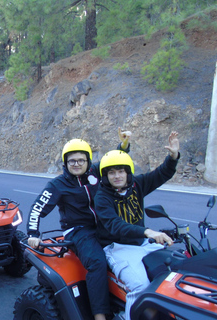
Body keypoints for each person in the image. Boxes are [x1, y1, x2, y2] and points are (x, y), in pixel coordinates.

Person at [26, 128, 132, 320]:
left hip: (104, 225)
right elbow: (36, 209)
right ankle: (100, 313)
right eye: (72, 160)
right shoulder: (57, 185)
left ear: (88, 161)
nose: (77, 164)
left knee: (134, 245)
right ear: (65, 163)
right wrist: (33, 233)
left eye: (81, 160)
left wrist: (123, 146)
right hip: (78, 231)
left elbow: (114, 162)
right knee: (97, 262)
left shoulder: (95, 172)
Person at [94, 131, 179, 320]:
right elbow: (115, 226)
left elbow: (162, 173)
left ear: (128, 172)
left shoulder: (137, 185)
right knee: (140, 287)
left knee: (172, 275)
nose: (117, 176)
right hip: (117, 248)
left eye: (121, 171)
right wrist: (147, 231)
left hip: (141, 244)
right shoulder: (102, 197)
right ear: (106, 176)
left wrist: (173, 157)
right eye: (112, 173)